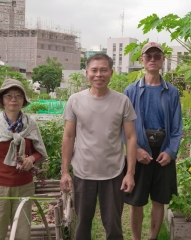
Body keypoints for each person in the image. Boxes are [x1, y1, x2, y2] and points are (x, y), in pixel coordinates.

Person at [59, 53, 138, 240]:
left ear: (111, 72)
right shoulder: (75, 100)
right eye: (94, 70)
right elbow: (69, 136)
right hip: (83, 172)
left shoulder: (122, 101)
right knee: (83, 225)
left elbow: (131, 137)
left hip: (113, 173)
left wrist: (130, 173)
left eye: (103, 70)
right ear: (87, 73)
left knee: (113, 227)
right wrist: (64, 172)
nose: (98, 74)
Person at [124, 42, 183, 240]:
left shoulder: (172, 92)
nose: (152, 59)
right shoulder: (131, 91)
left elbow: (176, 126)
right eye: (148, 56)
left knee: (159, 199)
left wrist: (171, 151)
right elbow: (124, 126)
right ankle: (136, 238)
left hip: (163, 150)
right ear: (142, 60)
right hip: (139, 149)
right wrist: (135, 150)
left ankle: (153, 238)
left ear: (162, 60)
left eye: (156, 56)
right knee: (137, 200)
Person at [0, 78, 48, 240]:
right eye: (8, 95)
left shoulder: (31, 125)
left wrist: (31, 159)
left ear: (23, 100)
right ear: (2, 100)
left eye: (18, 96)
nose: (13, 99)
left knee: (23, 234)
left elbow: (40, 152)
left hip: (24, 187)